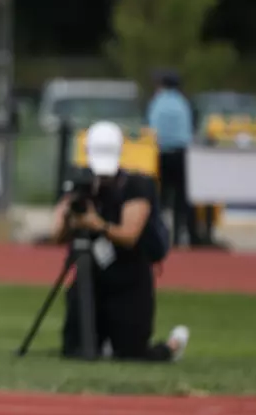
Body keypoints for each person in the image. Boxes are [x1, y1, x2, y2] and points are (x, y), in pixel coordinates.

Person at [50, 120, 190, 362]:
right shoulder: (81, 184)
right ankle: (101, 341)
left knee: (133, 355)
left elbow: (129, 235)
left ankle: (172, 345)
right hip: (91, 276)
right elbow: (56, 235)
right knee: (73, 350)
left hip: (129, 279)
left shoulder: (137, 185)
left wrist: (98, 224)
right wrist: (70, 213)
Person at [146, 68, 198, 247]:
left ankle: (159, 234)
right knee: (181, 198)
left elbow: (151, 128)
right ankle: (181, 234)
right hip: (182, 154)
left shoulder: (157, 103)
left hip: (161, 154)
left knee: (160, 197)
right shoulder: (183, 103)